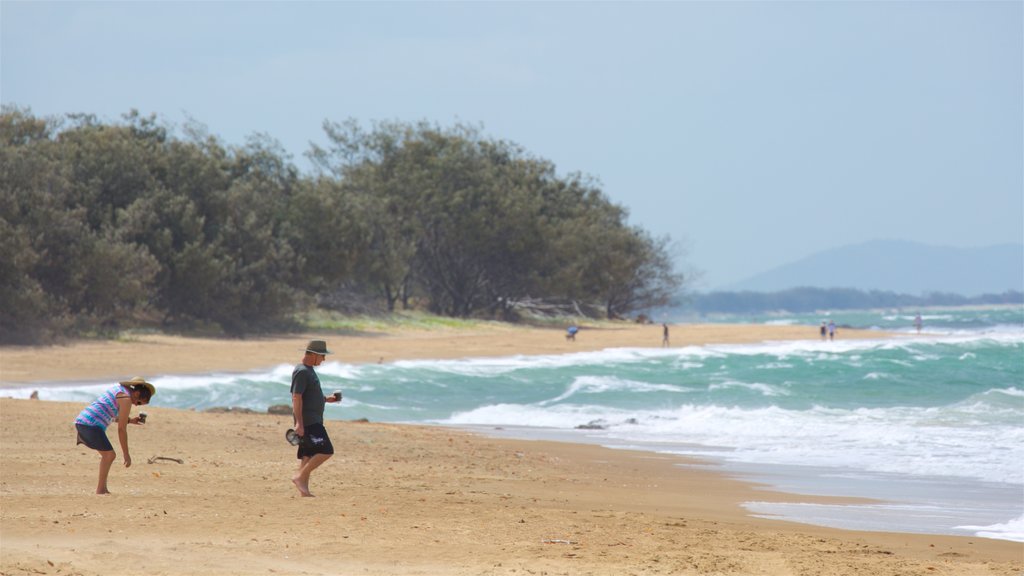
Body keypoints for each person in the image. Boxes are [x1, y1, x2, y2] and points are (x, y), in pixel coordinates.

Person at [73, 376, 154, 494]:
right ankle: (101, 489)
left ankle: (102, 488)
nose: (136, 405)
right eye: (139, 402)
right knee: (109, 455)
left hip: (84, 422)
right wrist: (126, 454)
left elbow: (108, 413)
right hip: (90, 424)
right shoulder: (125, 398)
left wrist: (130, 420)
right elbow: (121, 429)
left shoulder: (119, 390)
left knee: (108, 455)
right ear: (136, 393)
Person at [290, 339, 342, 497]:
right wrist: (299, 423)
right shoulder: (302, 371)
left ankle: (303, 489)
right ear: (312, 355)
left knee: (308, 453)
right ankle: (299, 477)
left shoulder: (309, 370)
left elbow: (309, 396)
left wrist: (327, 399)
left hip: (313, 419)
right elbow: (296, 397)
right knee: (326, 450)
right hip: (309, 421)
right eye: (322, 356)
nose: (324, 359)